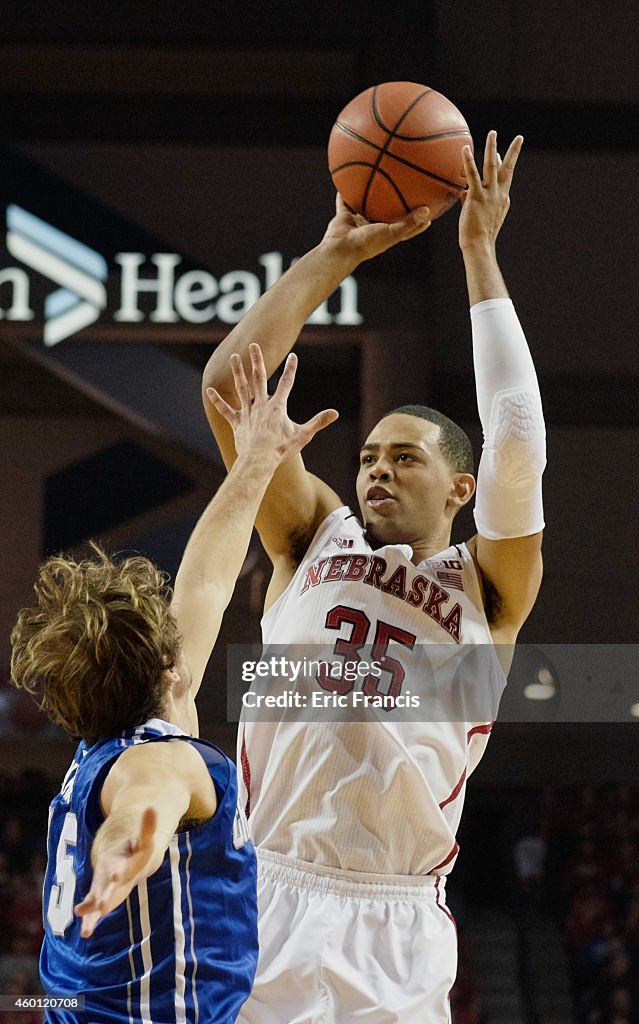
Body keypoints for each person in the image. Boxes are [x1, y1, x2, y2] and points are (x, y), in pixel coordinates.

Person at [202, 131, 546, 1022]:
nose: (376, 470)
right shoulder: (310, 536)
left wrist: (477, 252)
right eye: (366, 457)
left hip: (394, 919)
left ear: (460, 488)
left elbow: (513, 431)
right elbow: (227, 390)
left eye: (403, 457)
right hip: (266, 887)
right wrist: (335, 253)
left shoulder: (489, 587)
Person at [10, 346, 337, 1024]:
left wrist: (255, 465)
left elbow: (207, 584)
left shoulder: (105, 749)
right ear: (169, 670)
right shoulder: (161, 760)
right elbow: (143, 806)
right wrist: (128, 847)